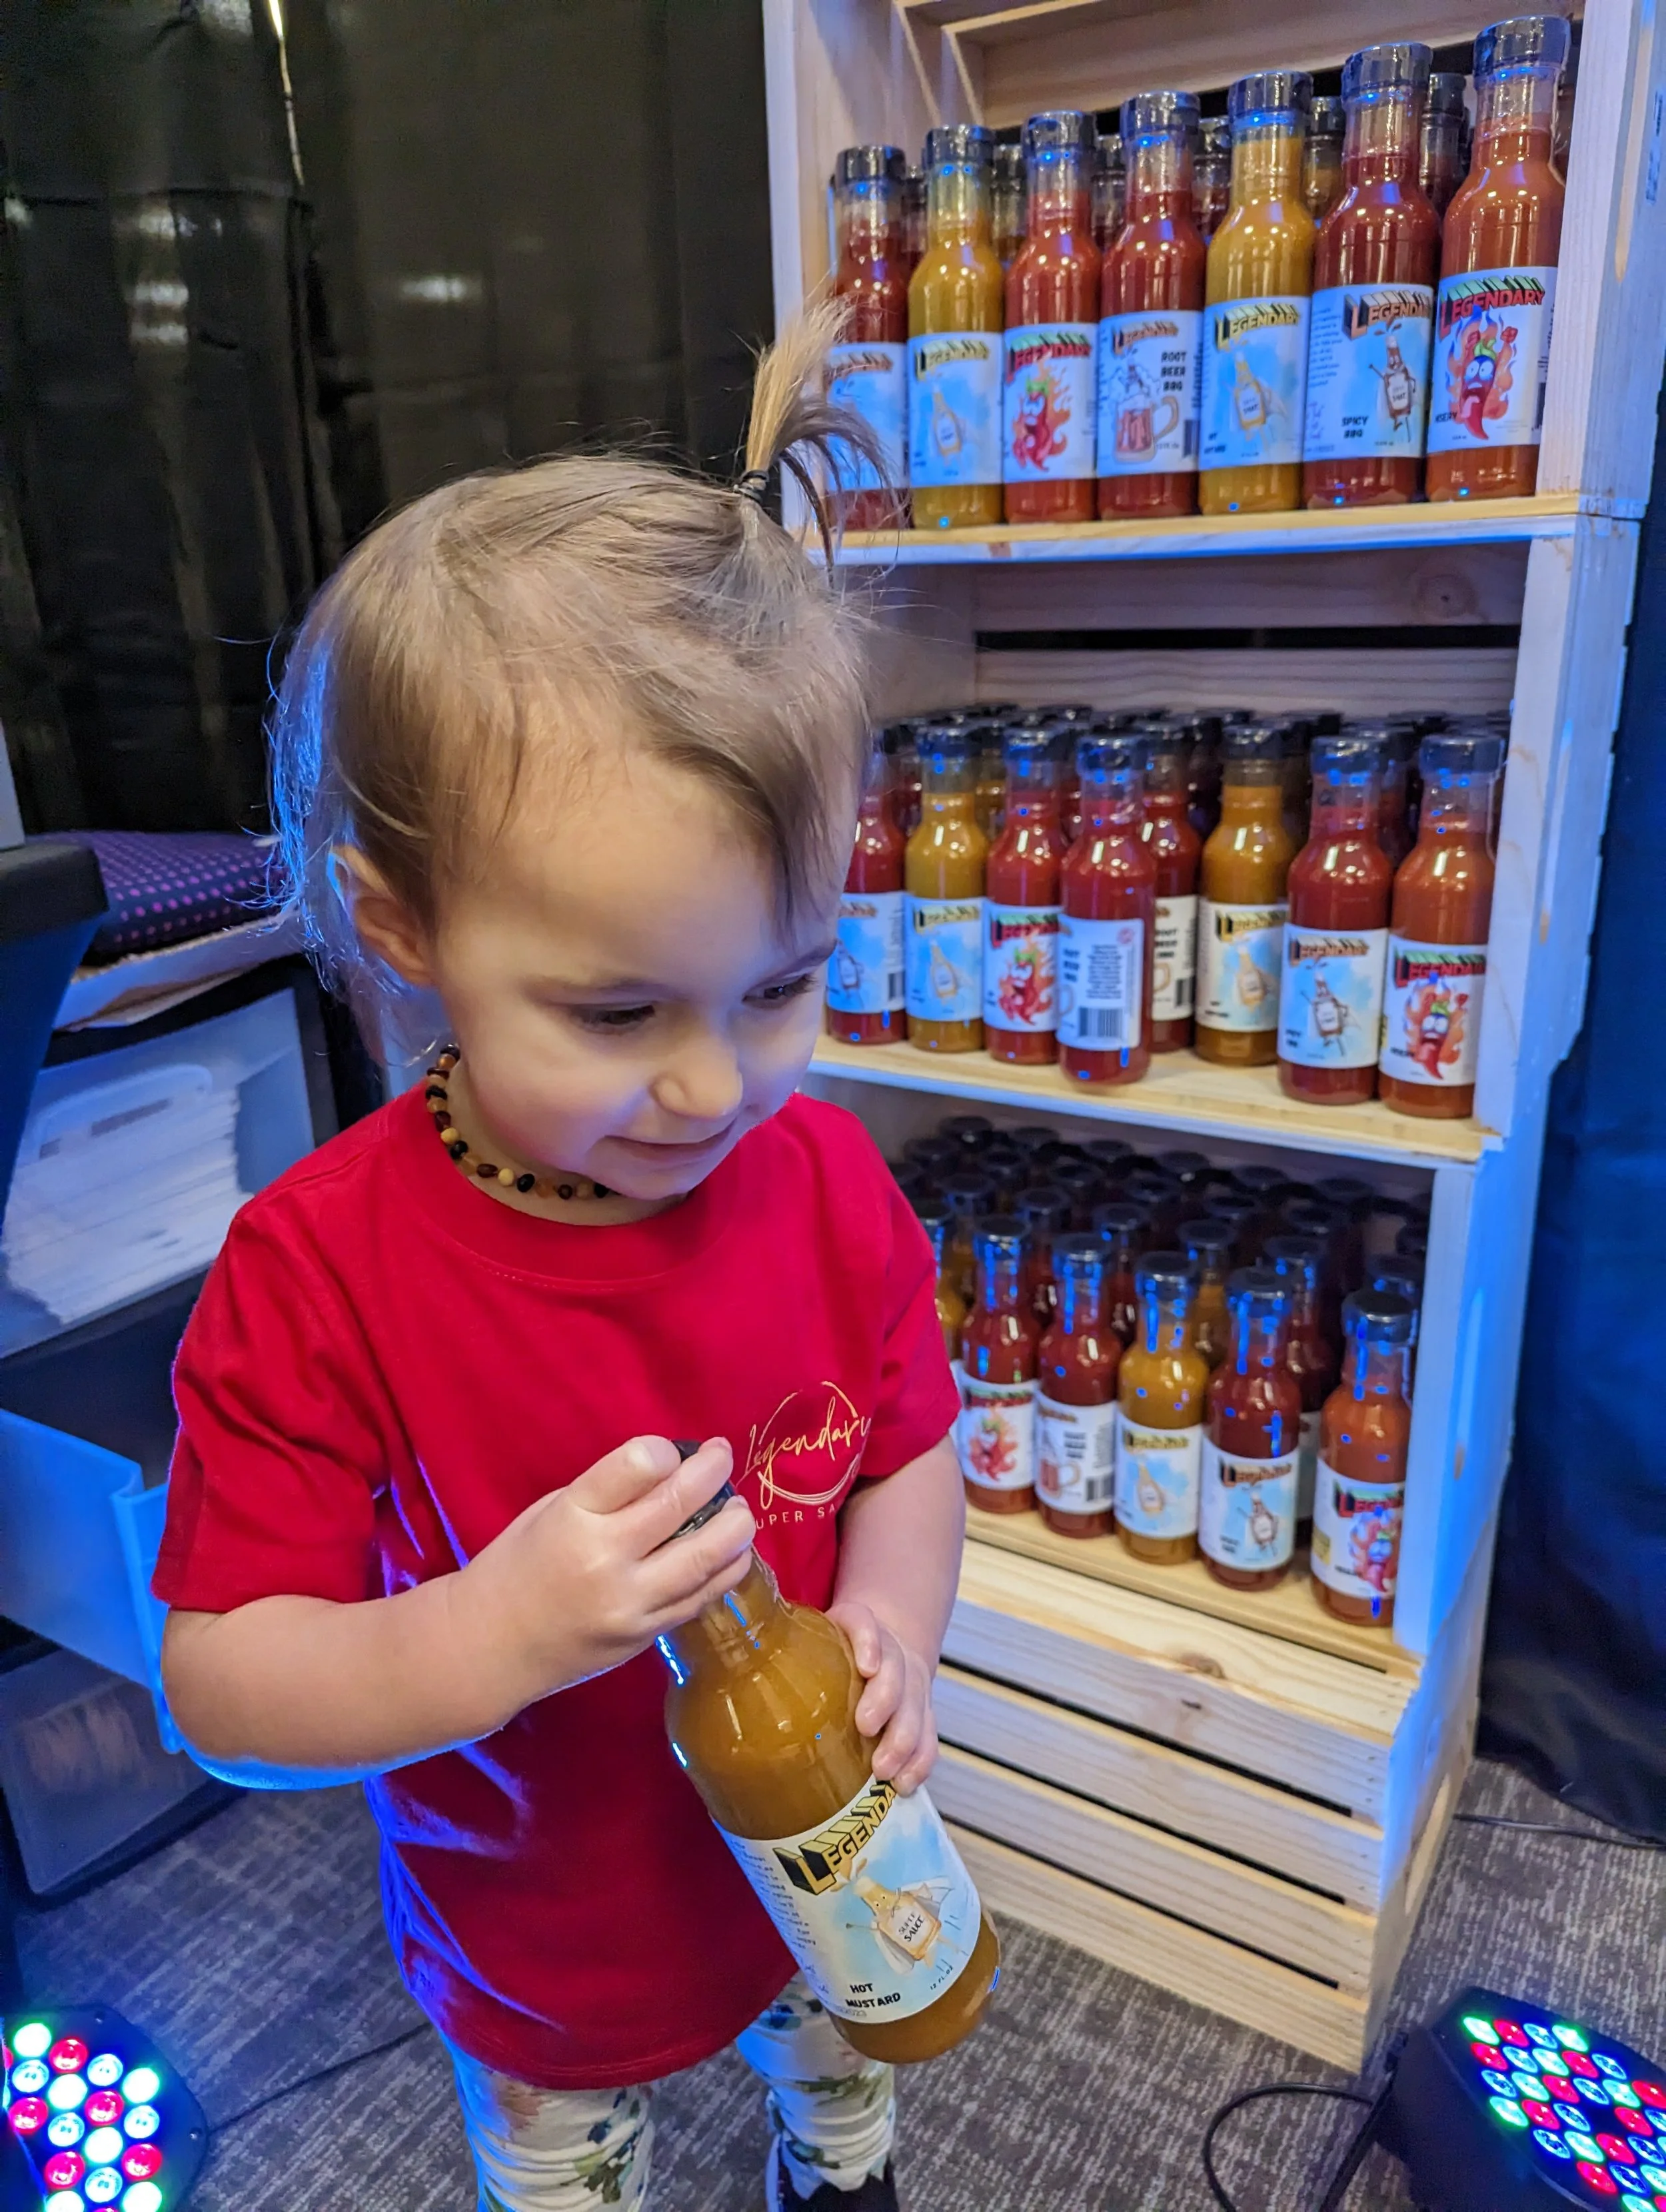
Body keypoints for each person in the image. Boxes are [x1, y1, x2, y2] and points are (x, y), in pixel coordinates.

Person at [153, 312, 964, 2212]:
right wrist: (496, 1633)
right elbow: (226, 1682)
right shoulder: (314, 1269)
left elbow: (906, 1456)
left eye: (779, 986)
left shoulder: (828, 1179)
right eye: (613, 1011)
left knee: (847, 2103)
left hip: (828, 1877)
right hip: (542, 1951)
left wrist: (896, 1627)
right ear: (403, 925)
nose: (711, 1081)